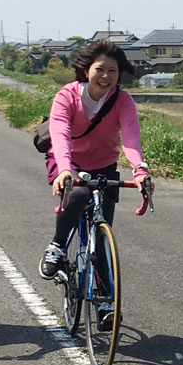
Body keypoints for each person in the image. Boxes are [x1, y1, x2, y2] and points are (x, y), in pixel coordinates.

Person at [36, 39, 153, 330]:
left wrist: (139, 170)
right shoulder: (66, 96)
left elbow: (130, 139)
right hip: (68, 163)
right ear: (86, 70)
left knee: (102, 237)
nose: (106, 76)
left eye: (112, 71)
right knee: (77, 194)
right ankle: (57, 246)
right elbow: (60, 135)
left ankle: (104, 303)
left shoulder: (122, 101)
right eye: (100, 69)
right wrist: (65, 170)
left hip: (104, 166)